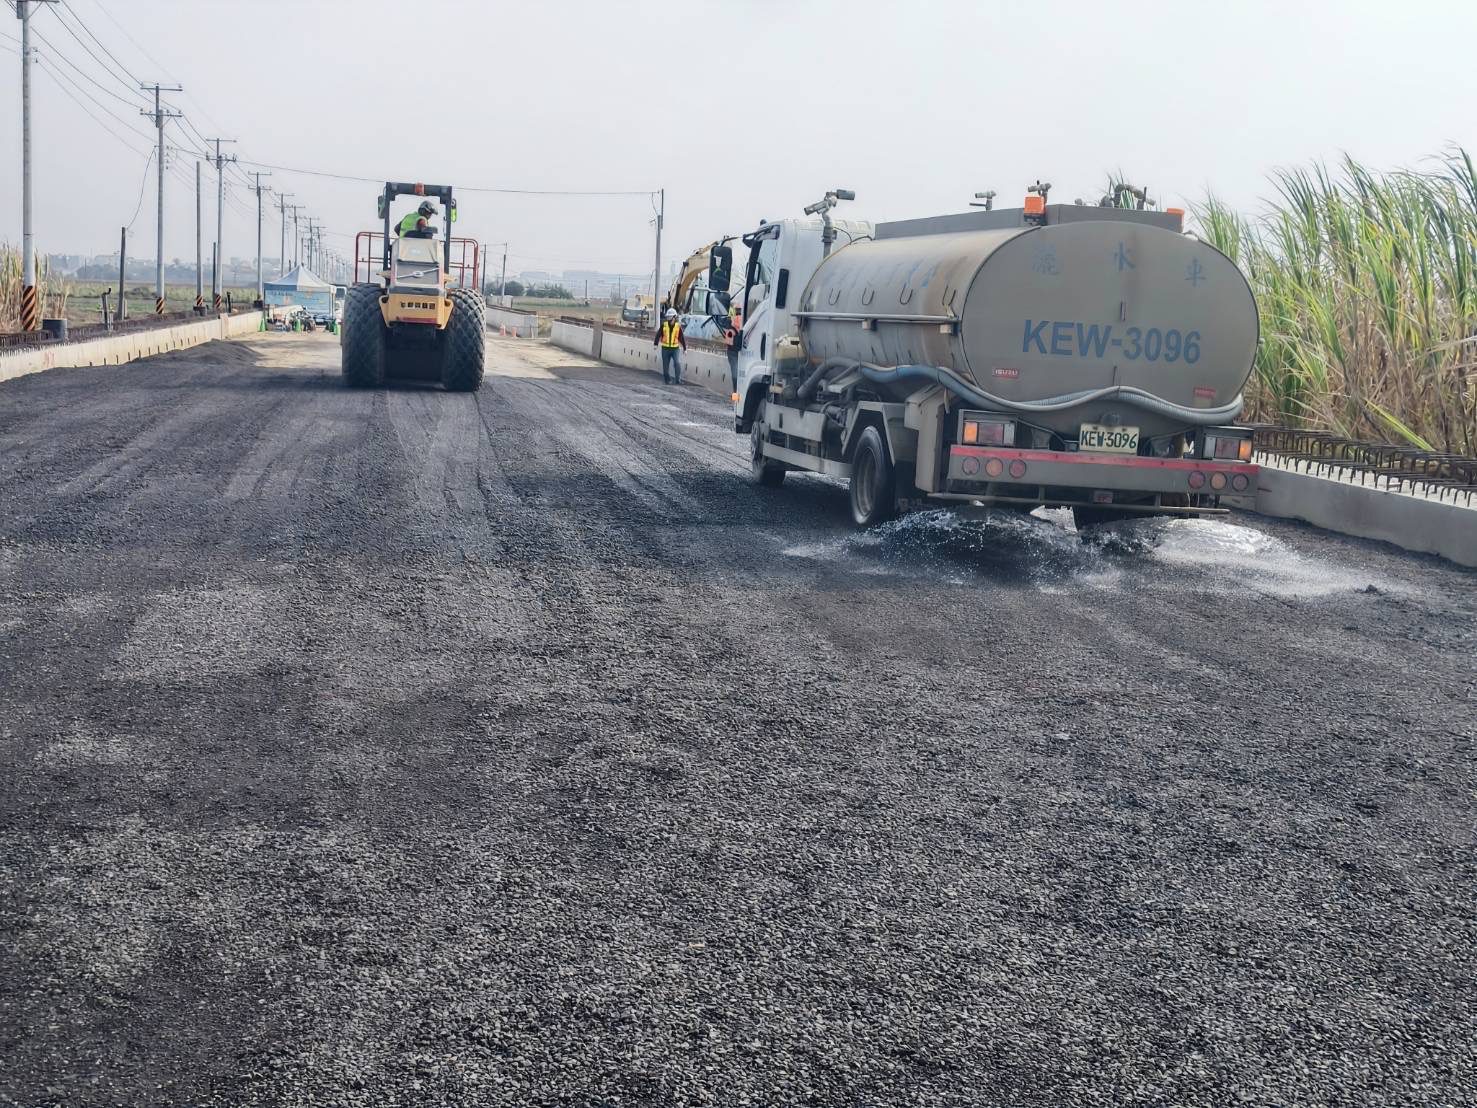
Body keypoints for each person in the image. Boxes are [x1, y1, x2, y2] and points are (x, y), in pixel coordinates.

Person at [653, 307, 686, 385]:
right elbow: (658, 334)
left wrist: (685, 348)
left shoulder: (678, 326)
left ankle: (678, 380)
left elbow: (681, 338)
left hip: (675, 349)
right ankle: (667, 380)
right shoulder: (664, 325)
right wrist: (655, 344)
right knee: (665, 367)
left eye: (670, 316)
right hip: (665, 349)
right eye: (668, 316)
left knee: (677, 363)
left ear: (674, 317)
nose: (668, 318)